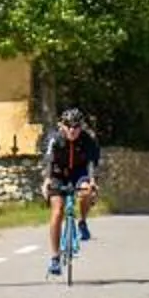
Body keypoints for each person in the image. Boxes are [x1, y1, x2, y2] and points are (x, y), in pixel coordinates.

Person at [39, 108, 101, 275]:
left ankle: (82, 222)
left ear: (81, 127)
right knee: (57, 211)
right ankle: (54, 258)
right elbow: (49, 161)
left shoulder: (88, 140)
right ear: (62, 125)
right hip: (59, 173)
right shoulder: (54, 139)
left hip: (79, 172)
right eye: (68, 126)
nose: (72, 130)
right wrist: (47, 181)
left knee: (86, 191)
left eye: (76, 126)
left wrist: (92, 181)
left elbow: (91, 164)